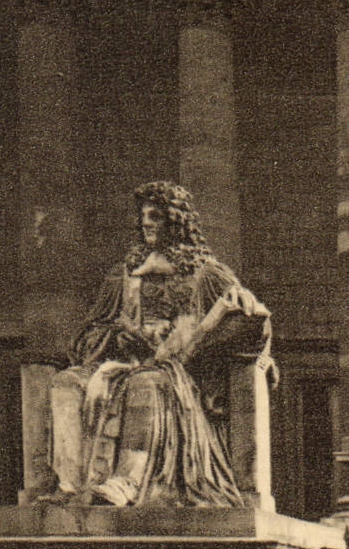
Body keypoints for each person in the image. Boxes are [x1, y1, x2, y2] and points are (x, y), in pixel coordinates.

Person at [43, 181, 270, 507]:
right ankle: (70, 486)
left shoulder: (207, 274)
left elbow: (254, 324)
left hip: (180, 374)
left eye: (156, 216)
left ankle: (128, 481)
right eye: (144, 216)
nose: (146, 222)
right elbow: (91, 331)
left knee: (147, 382)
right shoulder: (123, 275)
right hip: (120, 363)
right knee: (65, 382)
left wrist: (233, 312)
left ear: (176, 222)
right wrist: (114, 337)